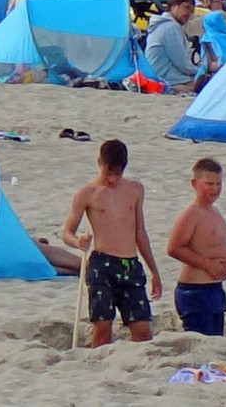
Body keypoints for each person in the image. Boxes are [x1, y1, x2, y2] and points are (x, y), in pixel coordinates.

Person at [61, 139, 162, 348]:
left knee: (142, 330)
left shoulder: (135, 190)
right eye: (109, 172)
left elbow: (140, 232)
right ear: (100, 162)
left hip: (130, 264)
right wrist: (77, 241)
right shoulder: (87, 194)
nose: (113, 179)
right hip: (102, 265)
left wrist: (154, 270)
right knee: (102, 329)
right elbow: (66, 233)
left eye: (118, 173)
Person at [167, 158, 226, 336]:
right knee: (202, 343)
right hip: (195, 291)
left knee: (216, 341)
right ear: (195, 184)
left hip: (215, 289)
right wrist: (208, 265)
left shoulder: (214, 212)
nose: (215, 189)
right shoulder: (191, 214)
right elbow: (173, 248)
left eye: (218, 184)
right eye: (209, 184)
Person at [145, 0, 203, 91]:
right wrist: (200, 72)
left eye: (191, 10)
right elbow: (181, 63)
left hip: (160, 73)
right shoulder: (170, 27)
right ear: (173, 7)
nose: (189, 13)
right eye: (186, 7)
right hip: (165, 77)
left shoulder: (164, 25)